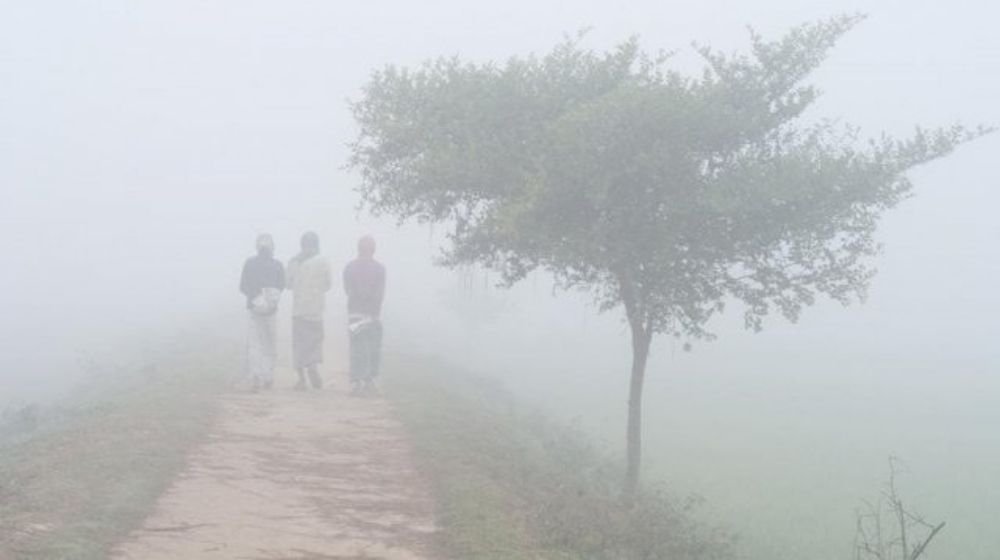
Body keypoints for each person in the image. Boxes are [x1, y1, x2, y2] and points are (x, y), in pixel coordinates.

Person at [287, 231, 332, 390]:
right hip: (316, 310)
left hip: (299, 310)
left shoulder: (294, 262)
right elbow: (328, 285)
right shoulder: (323, 261)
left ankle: (301, 380)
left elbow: (288, 284)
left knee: (299, 345)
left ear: (302, 244)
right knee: (314, 342)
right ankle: (313, 368)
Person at [239, 233, 285, 391]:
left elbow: (243, 286)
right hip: (271, 311)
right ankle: (268, 376)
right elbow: (281, 286)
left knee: (255, 343)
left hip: (254, 309)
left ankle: (255, 376)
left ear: (257, 247)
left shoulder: (249, 263)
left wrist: (255, 297)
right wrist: (270, 300)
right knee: (270, 344)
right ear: (272, 247)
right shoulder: (278, 265)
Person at [343, 234, 386, 395]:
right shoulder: (380, 269)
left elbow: (347, 290)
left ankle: (356, 381)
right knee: (373, 348)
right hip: (372, 314)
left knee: (356, 347)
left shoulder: (349, 267)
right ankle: (369, 379)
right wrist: (373, 307)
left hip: (355, 313)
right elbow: (380, 294)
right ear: (373, 249)